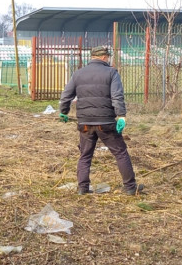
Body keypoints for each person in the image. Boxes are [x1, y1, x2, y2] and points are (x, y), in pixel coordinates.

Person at [58, 45, 145, 196]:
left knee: (85, 155)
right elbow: (116, 96)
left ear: (92, 57)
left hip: (84, 123)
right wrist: (122, 115)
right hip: (105, 122)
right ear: (104, 57)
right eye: (108, 57)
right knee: (120, 152)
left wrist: (64, 112)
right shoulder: (111, 73)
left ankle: (82, 188)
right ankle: (130, 187)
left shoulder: (78, 74)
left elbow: (66, 95)